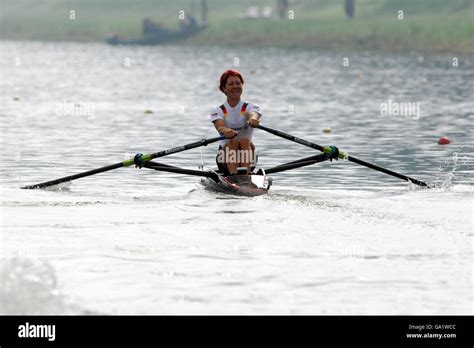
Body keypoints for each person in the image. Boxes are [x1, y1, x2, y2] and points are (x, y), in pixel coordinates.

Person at [211, 70, 261, 175]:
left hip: (248, 155)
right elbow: (220, 126)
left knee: (244, 141)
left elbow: (253, 114)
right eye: (231, 84)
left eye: (238, 83)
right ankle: (236, 176)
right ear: (223, 88)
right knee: (233, 142)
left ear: (242, 86)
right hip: (224, 159)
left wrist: (253, 119)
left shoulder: (249, 107)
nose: (235, 86)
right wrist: (225, 131)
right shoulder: (218, 110)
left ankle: (244, 176)